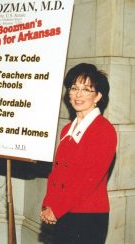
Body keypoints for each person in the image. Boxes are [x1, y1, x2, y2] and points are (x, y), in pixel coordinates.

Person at [40, 63, 117, 244]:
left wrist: (56, 208)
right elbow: (56, 173)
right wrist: (48, 203)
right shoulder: (67, 129)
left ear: (98, 96)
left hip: (87, 216)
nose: (78, 94)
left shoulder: (104, 130)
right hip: (63, 212)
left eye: (86, 89)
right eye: (74, 88)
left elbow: (87, 180)